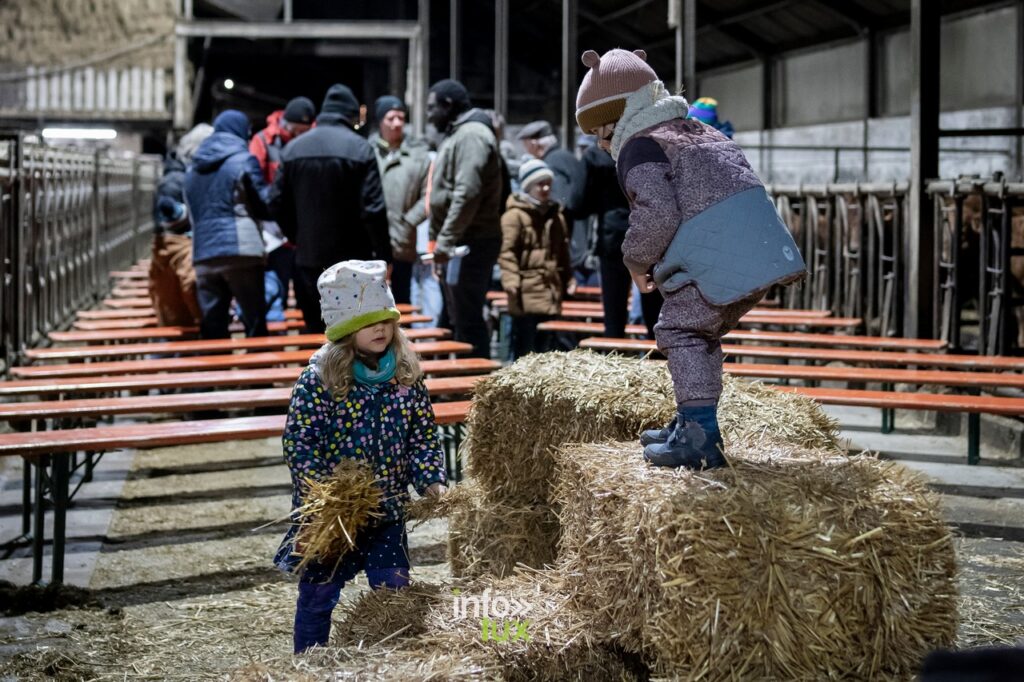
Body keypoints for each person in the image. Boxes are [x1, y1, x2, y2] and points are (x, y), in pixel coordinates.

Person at [575, 48, 805, 469]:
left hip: (726, 253)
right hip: (767, 250)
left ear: (620, 114)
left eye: (601, 132)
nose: (602, 144)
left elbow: (658, 213)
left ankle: (699, 437)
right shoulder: (699, 130)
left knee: (680, 330)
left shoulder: (640, 146)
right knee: (700, 332)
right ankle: (690, 420)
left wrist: (635, 261)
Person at [274, 259, 448, 653]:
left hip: (386, 510)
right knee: (319, 592)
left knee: (395, 589)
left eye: (386, 320)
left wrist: (431, 479)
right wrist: (324, 491)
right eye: (369, 322)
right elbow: (300, 441)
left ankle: (397, 660)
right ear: (345, 329)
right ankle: (309, 661)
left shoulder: (405, 377)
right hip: (333, 515)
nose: (381, 329)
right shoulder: (320, 380)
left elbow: (422, 435)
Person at [269, 84, 390, 334]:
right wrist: (384, 255)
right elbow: (373, 209)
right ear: (350, 115)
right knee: (354, 335)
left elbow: (276, 202)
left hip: (308, 259)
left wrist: (297, 235)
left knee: (316, 332)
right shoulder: (361, 149)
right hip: (354, 263)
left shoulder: (293, 150)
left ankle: (317, 375)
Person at [426, 79, 504, 358]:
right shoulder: (461, 133)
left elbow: (467, 192)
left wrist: (445, 242)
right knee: (456, 319)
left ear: (448, 105)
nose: (428, 115)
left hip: (469, 242)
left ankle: (473, 391)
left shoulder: (471, 135)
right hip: (460, 242)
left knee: (467, 320)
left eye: (432, 107)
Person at [185, 110, 272, 339]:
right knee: (254, 322)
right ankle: (258, 372)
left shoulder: (193, 168)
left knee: (213, 326)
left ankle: (214, 371)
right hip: (241, 249)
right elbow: (263, 203)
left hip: (204, 253)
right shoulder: (244, 160)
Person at [579, 136, 662, 339]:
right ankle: (659, 360)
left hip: (611, 235)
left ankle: (614, 355)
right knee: (654, 307)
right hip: (645, 232)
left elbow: (582, 202)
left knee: (614, 310)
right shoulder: (645, 147)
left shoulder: (595, 155)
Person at [498, 159, 572, 360]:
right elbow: (507, 253)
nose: (546, 188)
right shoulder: (514, 216)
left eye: (548, 183)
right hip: (526, 293)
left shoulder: (556, 216)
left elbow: (562, 253)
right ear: (529, 186)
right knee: (524, 348)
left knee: (548, 349)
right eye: (540, 183)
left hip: (550, 291)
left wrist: (568, 278)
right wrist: (512, 282)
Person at [250, 96, 316, 315]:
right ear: (286, 124)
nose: (300, 137)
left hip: (304, 236)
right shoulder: (263, 142)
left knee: (310, 300)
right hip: (274, 237)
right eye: (296, 131)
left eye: (304, 132)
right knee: (273, 297)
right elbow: (254, 184)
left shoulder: (314, 140)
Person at [148, 123, 212, 327]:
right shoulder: (175, 181)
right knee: (176, 321)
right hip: (177, 252)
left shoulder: (178, 176)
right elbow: (169, 223)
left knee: (174, 319)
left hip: (174, 256)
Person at [369, 95, 430, 305]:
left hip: (403, 241)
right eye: (391, 118)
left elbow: (428, 196)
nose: (397, 123)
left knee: (402, 302)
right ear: (380, 121)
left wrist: (407, 222)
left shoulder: (418, 157)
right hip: (372, 244)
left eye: (401, 118)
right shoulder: (368, 153)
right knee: (371, 304)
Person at [516, 121, 593, 285]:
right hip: (582, 243)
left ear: (534, 143)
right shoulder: (566, 156)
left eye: (525, 144)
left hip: (573, 248)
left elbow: (561, 203)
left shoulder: (553, 163)